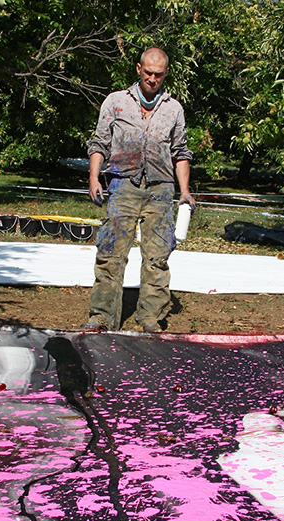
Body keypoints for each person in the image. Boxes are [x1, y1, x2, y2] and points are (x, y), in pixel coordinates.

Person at [84, 47, 195, 333]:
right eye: (147, 72)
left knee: (157, 258)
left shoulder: (174, 109)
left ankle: (150, 318)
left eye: (158, 74)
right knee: (110, 254)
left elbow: (181, 152)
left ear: (165, 74)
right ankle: (101, 317)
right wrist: (94, 179)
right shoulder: (116, 102)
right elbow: (99, 143)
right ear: (138, 69)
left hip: (160, 190)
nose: (152, 79)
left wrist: (184, 191)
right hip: (123, 186)